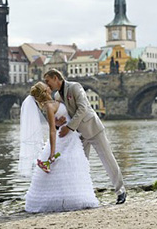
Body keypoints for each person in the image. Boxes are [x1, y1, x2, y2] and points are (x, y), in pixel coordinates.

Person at [43, 69, 127, 204]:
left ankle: (120, 191)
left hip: (93, 128)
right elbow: (64, 116)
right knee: (80, 165)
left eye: (48, 81)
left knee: (108, 160)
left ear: (56, 78)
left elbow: (83, 108)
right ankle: (83, 195)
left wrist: (69, 127)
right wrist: (59, 124)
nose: (47, 85)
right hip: (79, 135)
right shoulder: (57, 97)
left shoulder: (75, 87)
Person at [19, 82, 99, 213]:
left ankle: (75, 197)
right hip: (63, 137)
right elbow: (51, 130)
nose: (49, 86)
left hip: (70, 136)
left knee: (74, 165)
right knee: (66, 165)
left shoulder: (55, 100)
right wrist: (52, 152)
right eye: (46, 86)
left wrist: (58, 122)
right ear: (45, 91)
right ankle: (63, 199)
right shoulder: (49, 106)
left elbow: (55, 122)